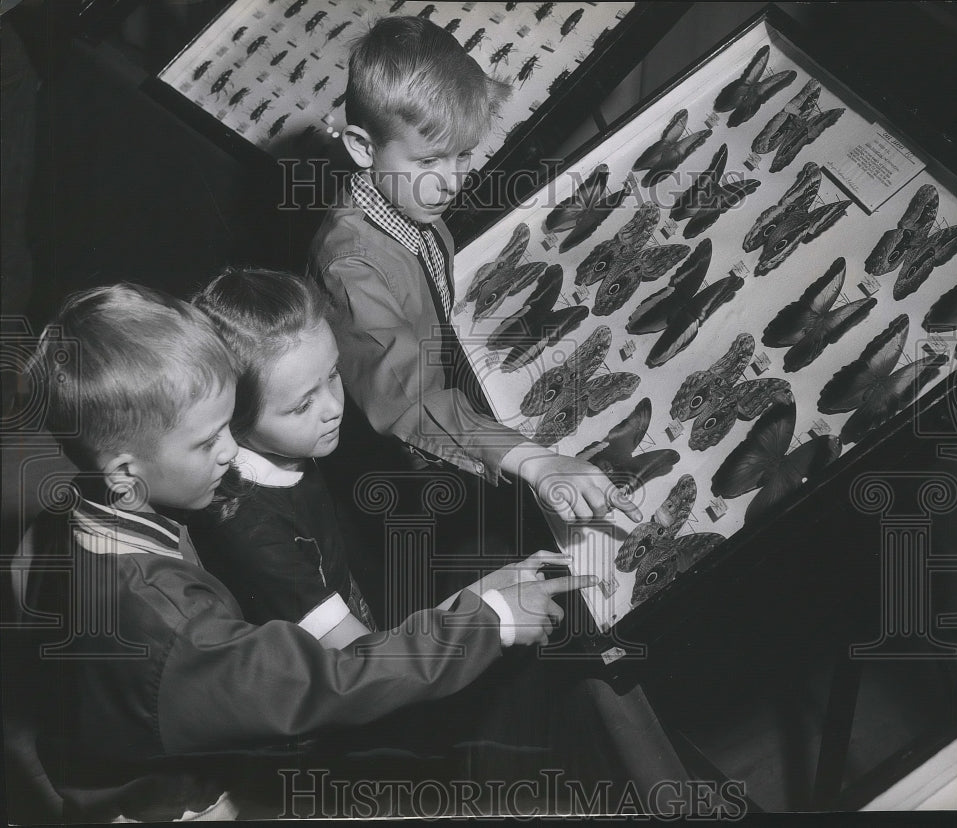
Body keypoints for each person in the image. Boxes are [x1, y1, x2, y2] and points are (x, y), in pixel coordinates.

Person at [10, 282, 593, 822]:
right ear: (124, 473)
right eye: (209, 439)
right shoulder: (176, 633)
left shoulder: (71, 516)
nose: (229, 450)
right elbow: (332, 681)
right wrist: (489, 619)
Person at [307, 16, 642, 528]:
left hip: (449, 405)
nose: (451, 183)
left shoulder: (409, 203)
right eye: (429, 161)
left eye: (464, 155)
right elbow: (409, 402)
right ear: (361, 147)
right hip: (401, 461)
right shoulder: (352, 265)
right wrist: (538, 460)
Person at [188, 266, 571, 639]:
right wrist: (490, 612)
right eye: (303, 405)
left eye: (333, 374)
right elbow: (357, 663)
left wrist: (485, 594)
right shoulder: (254, 539)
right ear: (231, 417)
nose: (334, 407)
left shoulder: (286, 442)